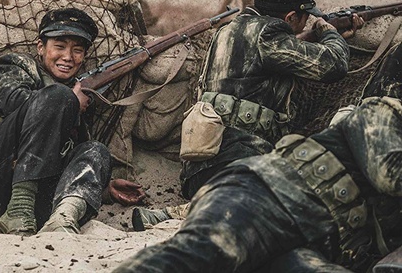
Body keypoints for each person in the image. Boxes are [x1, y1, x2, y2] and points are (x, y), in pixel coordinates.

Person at [133, 0, 361, 230]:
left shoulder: (226, 31)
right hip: (240, 163)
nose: (308, 20)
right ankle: (174, 214)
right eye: (305, 16)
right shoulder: (269, 34)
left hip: (198, 171)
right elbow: (333, 65)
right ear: (290, 17)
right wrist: (329, 32)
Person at [114, 91, 402, 273]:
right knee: (199, 256)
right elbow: (389, 175)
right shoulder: (383, 111)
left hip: (313, 244)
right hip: (269, 198)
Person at [0, 7, 144, 235]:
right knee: (59, 96)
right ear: (41, 47)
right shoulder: (16, 64)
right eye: (60, 46)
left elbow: (68, 153)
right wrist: (70, 101)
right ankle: (19, 208)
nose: (68, 57)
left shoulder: (77, 92)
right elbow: (13, 102)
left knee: (97, 151)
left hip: (38, 196)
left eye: (77, 50)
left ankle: (63, 218)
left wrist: (103, 188)